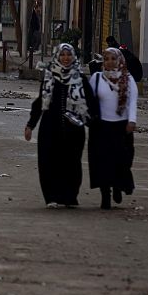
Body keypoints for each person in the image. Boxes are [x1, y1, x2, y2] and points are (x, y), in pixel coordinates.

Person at [24, 43, 95, 208]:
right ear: (57, 57)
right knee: (49, 163)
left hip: (74, 129)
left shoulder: (80, 78)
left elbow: (90, 103)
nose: (65, 58)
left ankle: (70, 196)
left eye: (68, 55)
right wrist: (30, 125)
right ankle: (51, 197)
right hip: (50, 128)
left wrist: (93, 122)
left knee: (72, 163)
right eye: (62, 55)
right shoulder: (50, 77)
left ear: (73, 57)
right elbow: (41, 102)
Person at [88, 47, 137, 210]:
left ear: (119, 60)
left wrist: (132, 121)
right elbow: (89, 100)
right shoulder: (96, 78)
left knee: (122, 161)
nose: (109, 62)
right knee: (102, 162)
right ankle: (105, 195)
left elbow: (132, 103)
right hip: (101, 127)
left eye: (113, 59)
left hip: (122, 128)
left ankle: (118, 186)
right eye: (106, 59)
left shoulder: (128, 79)